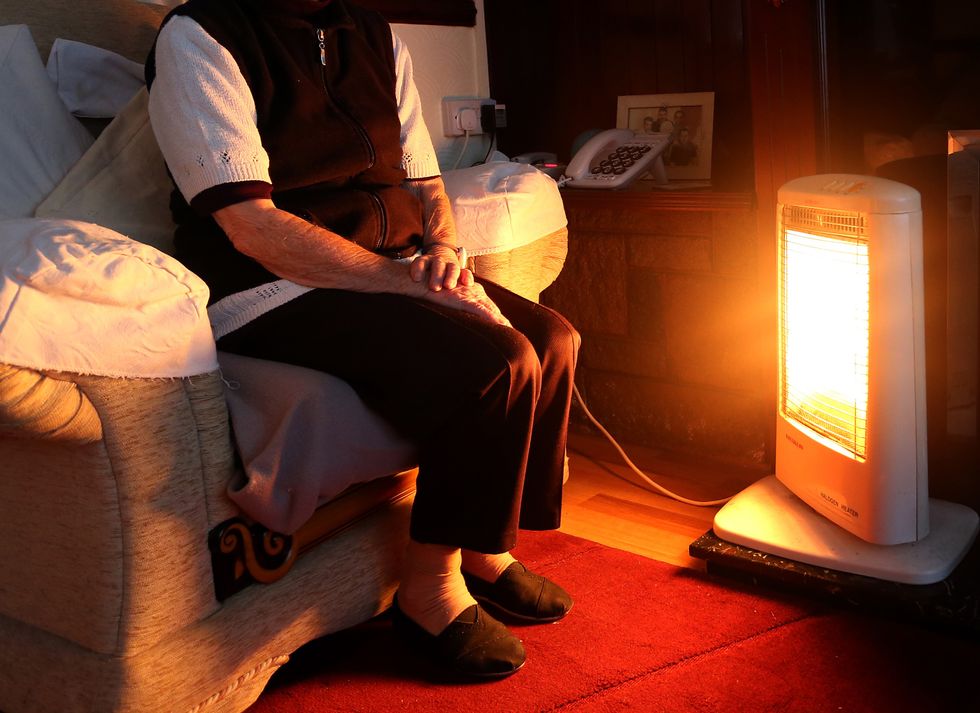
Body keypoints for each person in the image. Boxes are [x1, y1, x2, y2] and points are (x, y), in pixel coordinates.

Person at [146, 0, 579, 681]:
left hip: (392, 266)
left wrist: (440, 251)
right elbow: (249, 223)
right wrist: (401, 282)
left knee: (552, 338)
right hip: (273, 284)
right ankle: (428, 591)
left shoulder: (372, 34)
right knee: (495, 361)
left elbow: (425, 179)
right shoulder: (202, 35)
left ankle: (484, 548)